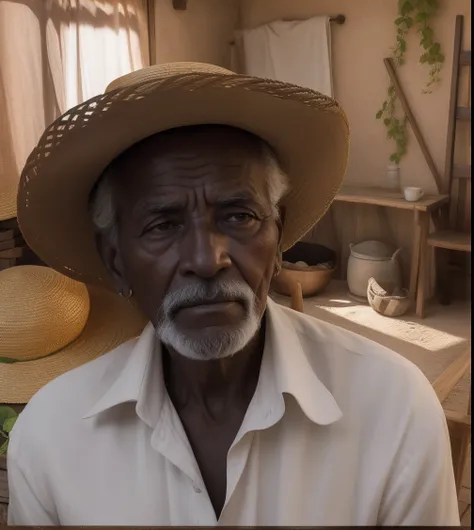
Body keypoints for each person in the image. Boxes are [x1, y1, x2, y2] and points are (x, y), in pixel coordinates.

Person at [8, 63, 459, 526]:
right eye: (162, 225)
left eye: (239, 216)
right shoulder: (51, 438)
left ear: (279, 237)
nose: (207, 260)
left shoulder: (393, 409)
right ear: (116, 257)